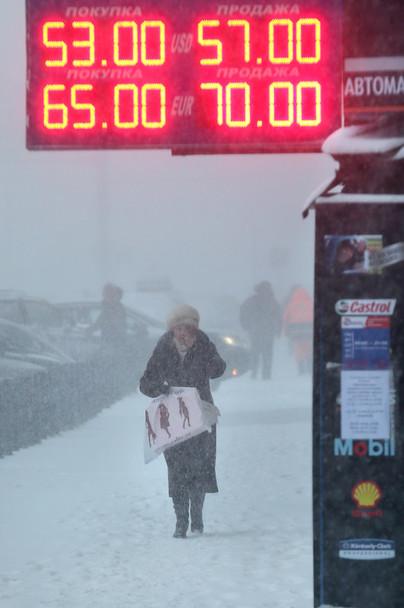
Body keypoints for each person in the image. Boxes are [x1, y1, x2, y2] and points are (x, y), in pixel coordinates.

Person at [139, 304, 226, 538]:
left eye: (188, 328)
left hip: (201, 414)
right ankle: (180, 521)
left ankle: (197, 518)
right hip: (174, 419)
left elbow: (219, 369)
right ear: (172, 329)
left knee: (200, 467)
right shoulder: (163, 347)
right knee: (177, 470)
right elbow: (145, 382)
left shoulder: (204, 343)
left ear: (195, 328)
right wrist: (161, 388)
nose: (183, 333)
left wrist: (204, 357)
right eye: (178, 328)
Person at [239, 281, 281, 379]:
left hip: (255, 331)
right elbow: (279, 317)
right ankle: (266, 375)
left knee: (255, 354)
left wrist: (246, 326)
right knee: (267, 355)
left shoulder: (251, 300)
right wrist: (278, 329)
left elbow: (243, 313)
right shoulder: (273, 301)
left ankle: (254, 373)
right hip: (268, 332)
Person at [282, 285, 313, 374]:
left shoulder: (291, 304)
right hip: (309, 329)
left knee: (298, 348)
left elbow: (286, 318)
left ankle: (301, 368)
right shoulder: (311, 303)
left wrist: (285, 331)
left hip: (295, 330)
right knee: (309, 347)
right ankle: (309, 366)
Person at [87, 283, 127, 350]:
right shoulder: (108, 307)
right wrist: (90, 330)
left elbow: (117, 326)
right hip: (109, 342)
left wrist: (90, 330)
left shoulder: (115, 308)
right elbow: (99, 322)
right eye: (104, 293)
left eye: (107, 294)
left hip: (114, 343)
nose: (104, 296)